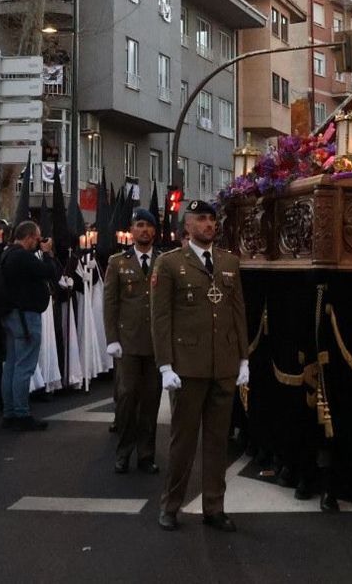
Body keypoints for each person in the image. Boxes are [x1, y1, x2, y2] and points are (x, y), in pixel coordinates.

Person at [151, 199, 250, 532]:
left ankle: (214, 507)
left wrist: (243, 357)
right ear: (187, 226)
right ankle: (171, 504)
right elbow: (161, 319)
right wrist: (165, 364)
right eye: (201, 219)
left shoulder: (229, 262)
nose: (209, 224)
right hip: (187, 368)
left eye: (211, 219)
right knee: (182, 441)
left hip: (222, 365)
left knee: (217, 441)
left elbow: (238, 312)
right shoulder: (169, 264)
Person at [105, 208, 163, 475]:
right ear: (132, 230)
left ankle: (146, 455)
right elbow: (111, 305)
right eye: (139, 225)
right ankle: (123, 452)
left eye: (149, 226)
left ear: (155, 231)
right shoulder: (118, 262)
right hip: (128, 344)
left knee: (151, 401)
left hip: (156, 345)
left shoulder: (165, 261)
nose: (144, 230)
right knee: (127, 398)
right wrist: (112, 339)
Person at [0, 220, 57, 431]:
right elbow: (48, 271)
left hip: (12, 314)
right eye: (37, 237)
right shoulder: (22, 256)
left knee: (12, 365)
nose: (39, 242)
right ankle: (22, 413)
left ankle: (9, 413)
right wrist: (48, 253)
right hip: (26, 316)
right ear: (30, 237)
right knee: (24, 366)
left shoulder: (7, 254)